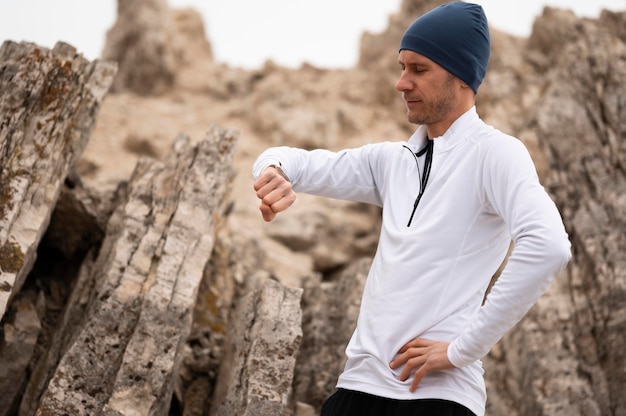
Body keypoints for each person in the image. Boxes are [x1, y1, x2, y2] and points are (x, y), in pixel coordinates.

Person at [252, 2, 571, 415]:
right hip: (356, 390)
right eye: (402, 68)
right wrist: (272, 171)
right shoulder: (393, 161)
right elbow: (293, 159)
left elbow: (549, 247)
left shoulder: (496, 154)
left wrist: (461, 350)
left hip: (436, 396)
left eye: (419, 70)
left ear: (460, 76)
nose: (402, 83)